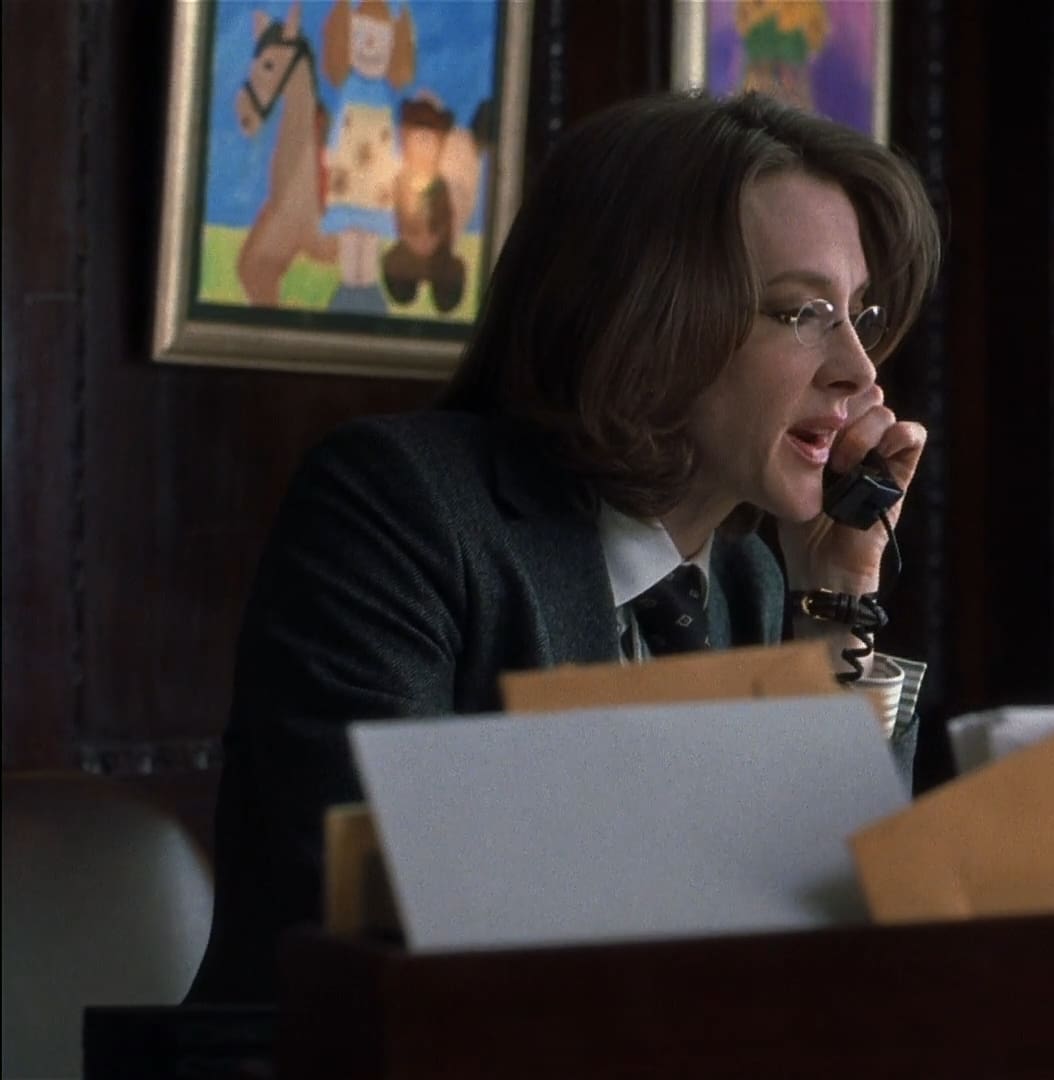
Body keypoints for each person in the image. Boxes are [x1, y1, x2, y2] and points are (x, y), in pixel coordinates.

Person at [187, 90, 942, 1003]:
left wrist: (838, 603)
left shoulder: (751, 578)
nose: (859, 371)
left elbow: (841, 937)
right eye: (797, 312)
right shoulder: (401, 507)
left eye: (859, 314)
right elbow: (379, 908)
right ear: (643, 320)